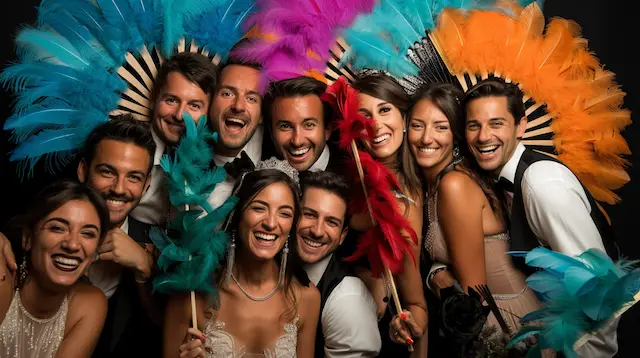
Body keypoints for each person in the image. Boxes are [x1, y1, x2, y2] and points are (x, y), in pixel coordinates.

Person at [463, 78, 618, 357]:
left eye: (496, 123)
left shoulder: (542, 184)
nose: (483, 136)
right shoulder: (498, 179)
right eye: (474, 125)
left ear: (520, 126)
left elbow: (596, 291)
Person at [409, 83, 542, 354]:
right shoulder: (431, 185)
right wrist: (435, 271)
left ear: (456, 135)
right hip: (486, 316)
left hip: (502, 323)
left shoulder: (454, 185)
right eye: (417, 125)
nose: (426, 138)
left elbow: (474, 296)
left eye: (440, 127)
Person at [164, 158, 320, 358]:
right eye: (259, 208)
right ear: (237, 215)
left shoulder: (307, 299)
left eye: (285, 213)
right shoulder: (192, 293)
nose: (271, 223)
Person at [344, 73, 427, 357]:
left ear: (404, 118)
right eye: (364, 115)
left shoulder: (403, 200)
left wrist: (408, 325)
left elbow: (416, 306)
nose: (375, 124)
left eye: (385, 109)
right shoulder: (351, 179)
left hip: (380, 339)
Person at [77, 115, 164, 357]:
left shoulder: (161, 247)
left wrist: (145, 268)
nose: (119, 188)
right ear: (83, 171)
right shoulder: (43, 226)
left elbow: (164, 331)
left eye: (134, 177)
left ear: (146, 185)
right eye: (107, 172)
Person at [0, 180, 109, 357]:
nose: (73, 244)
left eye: (88, 233)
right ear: (28, 238)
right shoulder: (2, 280)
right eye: (58, 228)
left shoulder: (90, 304)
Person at [296, 171, 381, 357]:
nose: (318, 231)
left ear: (342, 236)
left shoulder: (348, 298)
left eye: (331, 222)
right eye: (309, 214)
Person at [131, 52, 218, 226]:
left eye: (194, 105)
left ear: (210, 112)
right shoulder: (127, 150)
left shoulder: (216, 162)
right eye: (171, 100)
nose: (179, 115)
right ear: (154, 100)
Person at [206, 50, 267, 210]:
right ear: (210, 103)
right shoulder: (176, 159)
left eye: (251, 98)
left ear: (262, 115)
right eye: (227, 93)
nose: (238, 106)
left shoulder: (277, 151)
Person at [263, 76, 340, 172]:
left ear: (327, 130)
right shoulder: (260, 168)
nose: (297, 141)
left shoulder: (354, 177)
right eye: (285, 126)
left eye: (309, 125)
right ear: (271, 132)